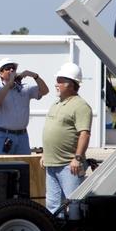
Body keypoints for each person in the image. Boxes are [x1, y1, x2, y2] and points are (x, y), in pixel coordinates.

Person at [42, 62, 93, 214]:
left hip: (68, 166)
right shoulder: (56, 103)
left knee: (74, 205)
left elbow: (85, 133)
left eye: (59, 80)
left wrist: (77, 158)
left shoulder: (81, 106)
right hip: (52, 164)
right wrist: (45, 153)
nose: (56, 84)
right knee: (52, 205)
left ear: (71, 84)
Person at [0, 59, 49, 155]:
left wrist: (35, 76)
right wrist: (10, 83)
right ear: (0, 73)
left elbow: (45, 91)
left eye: (14, 68)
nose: (12, 70)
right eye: (8, 68)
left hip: (22, 136)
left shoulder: (24, 89)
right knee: (3, 167)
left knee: (24, 167)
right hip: (4, 136)